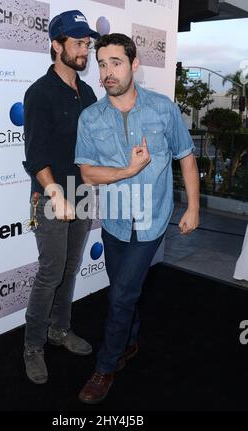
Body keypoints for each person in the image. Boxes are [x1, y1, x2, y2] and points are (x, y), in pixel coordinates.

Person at [75, 33, 200, 403]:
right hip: (113, 221)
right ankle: (129, 343)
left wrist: (193, 207)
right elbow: (87, 174)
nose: (107, 72)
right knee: (123, 294)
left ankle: (105, 366)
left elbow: (187, 158)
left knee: (122, 294)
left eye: (116, 62)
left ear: (134, 65)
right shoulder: (90, 117)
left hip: (150, 222)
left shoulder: (164, 110)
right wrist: (127, 171)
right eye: (102, 64)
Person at [22, 10, 99, 384]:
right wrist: (56, 194)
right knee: (50, 273)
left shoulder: (87, 92)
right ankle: (32, 346)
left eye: (87, 42)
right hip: (52, 196)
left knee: (70, 268)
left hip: (81, 195)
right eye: (78, 42)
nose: (85, 49)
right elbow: (35, 156)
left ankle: (59, 329)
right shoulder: (39, 93)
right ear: (56, 45)